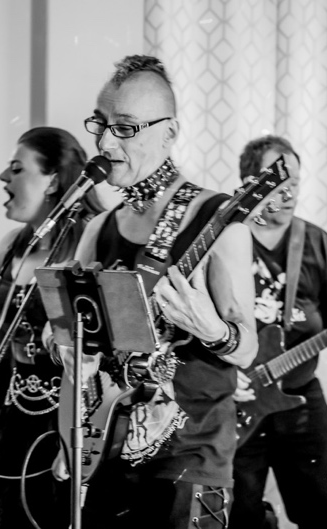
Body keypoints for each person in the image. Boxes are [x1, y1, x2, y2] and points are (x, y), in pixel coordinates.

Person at [53, 55, 258, 529]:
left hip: (190, 458)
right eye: (100, 124)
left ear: (169, 133)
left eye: (126, 128)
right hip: (105, 447)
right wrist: (66, 357)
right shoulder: (99, 229)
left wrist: (211, 328)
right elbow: (70, 339)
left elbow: (247, 348)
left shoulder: (218, 220)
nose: (105, 142)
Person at [0, 127, 104, 528]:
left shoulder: (92, 238)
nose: (3, 178)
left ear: (52, 180)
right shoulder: (13, 245)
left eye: (17, 169)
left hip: (73, 421)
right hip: (17, 416)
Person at [228, 135, 327, 529]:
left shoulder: (317, 242)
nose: (289, 195)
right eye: (278, 183)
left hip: (299, 395)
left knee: (326, 514)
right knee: (236, 517)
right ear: (250, 183)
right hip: (233, 400)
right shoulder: (223, 239)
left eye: (295, 183)